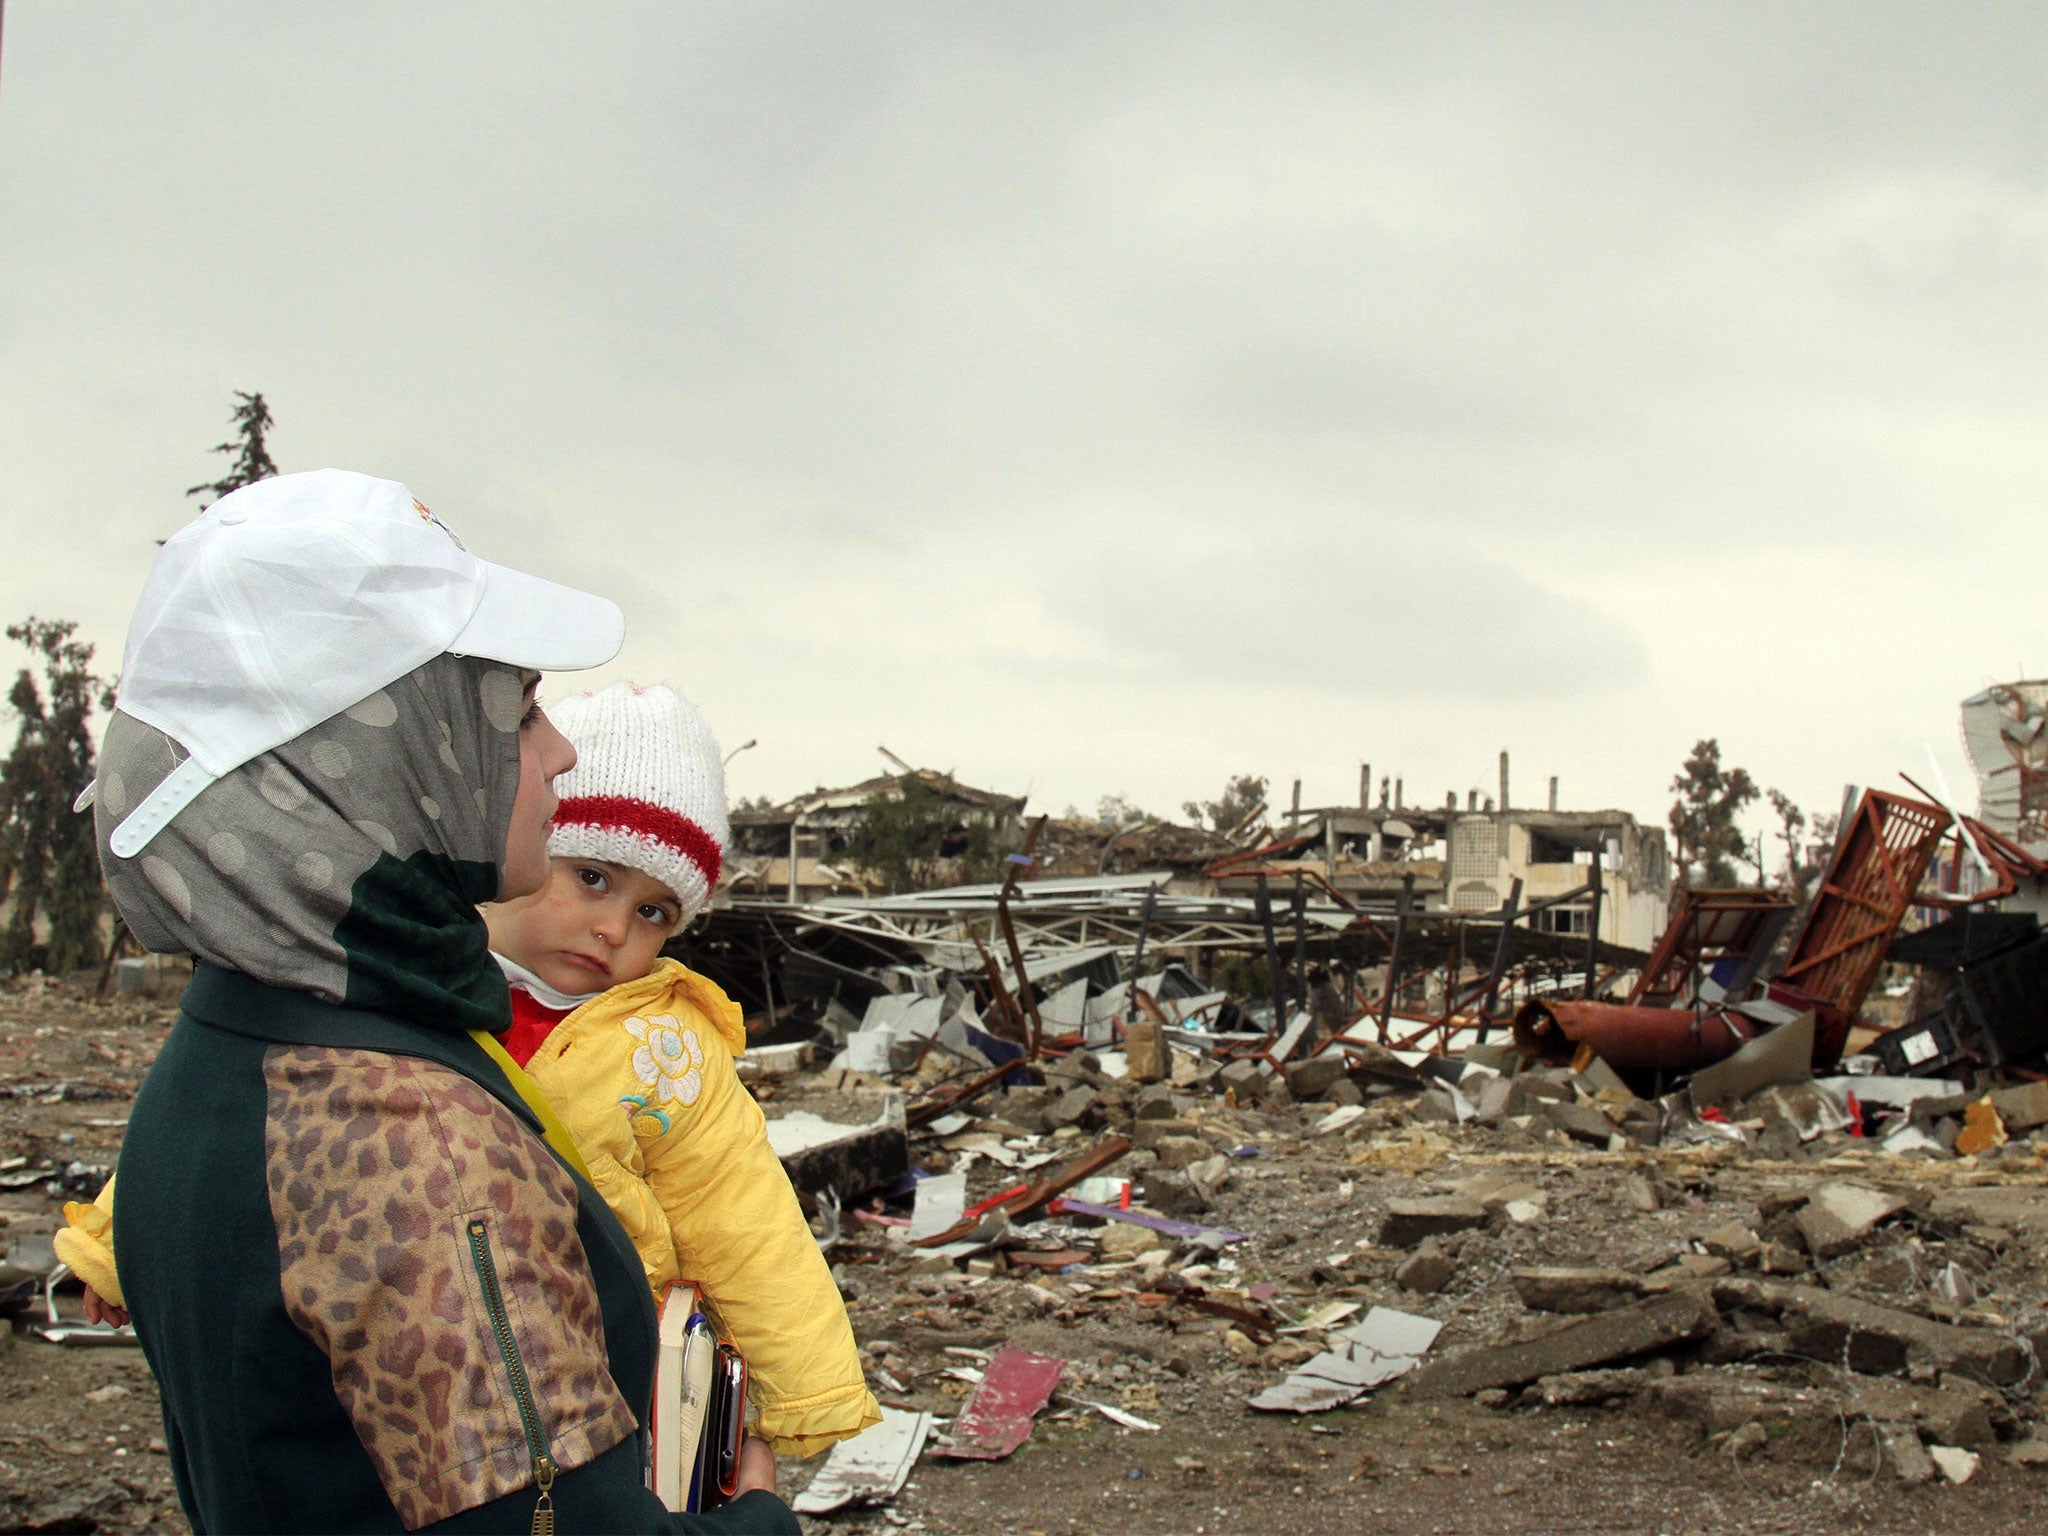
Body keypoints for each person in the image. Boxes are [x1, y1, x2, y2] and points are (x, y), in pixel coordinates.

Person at [81, 469, 797, 1534]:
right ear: (383, 755)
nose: (557, 750)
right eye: (515, 712)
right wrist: (760, 1519)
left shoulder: (234, 1034)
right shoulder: (412, 1142)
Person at [481, 681, 879, 1455]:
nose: (612, 928)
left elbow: (743, 1218)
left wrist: (806, 1390)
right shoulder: (409, 989)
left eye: (654, 912)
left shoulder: (666, 1050)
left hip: (605, 1381)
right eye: (591, 876)